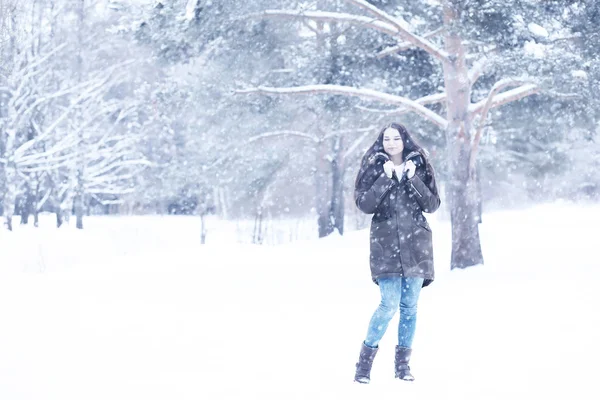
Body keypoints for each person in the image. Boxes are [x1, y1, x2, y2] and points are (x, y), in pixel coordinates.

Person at [353, 123, 441, 384]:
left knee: (410, 307)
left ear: (405, 140)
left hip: (416, 243)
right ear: (382, 142)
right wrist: (385, 178)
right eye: (386, 138)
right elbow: (364, 204)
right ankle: (364, 365)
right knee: (389, 303)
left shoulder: (420, 165)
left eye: (396, 138)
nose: (391, 143)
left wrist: (413, 178)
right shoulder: (373, 166)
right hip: (385, 243)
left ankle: (402, 366)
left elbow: (433, 204)